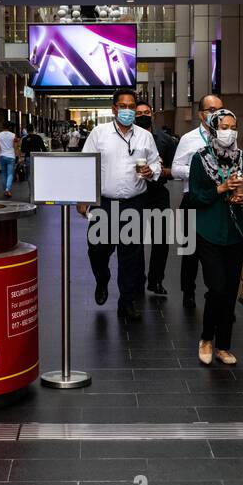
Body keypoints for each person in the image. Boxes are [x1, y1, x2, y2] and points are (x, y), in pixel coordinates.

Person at [79, 90, 162, 322]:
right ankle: (102, 278)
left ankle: (126, 302)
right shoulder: (99, 133)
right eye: (122, 106)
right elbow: (86, 165)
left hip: (134, 202)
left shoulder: (145, 136)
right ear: (114, 108)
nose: (127, 110)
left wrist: (151, 171)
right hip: (104, 203)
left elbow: (155, 163)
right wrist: (83, 198)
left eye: (131, 106)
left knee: (130, 255)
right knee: (98, 249)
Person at [188, 109, 243, 364]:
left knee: (230, 290)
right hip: (209, 230)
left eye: (233, 126)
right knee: (216, 287)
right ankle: (206, 338)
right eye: (224, 126)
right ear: (213, 128)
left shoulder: (241, 158)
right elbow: (195, 197)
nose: (229, 131)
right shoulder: (200, 158)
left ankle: (224, 345)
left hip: (235, 232)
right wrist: (221, 188)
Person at [171, 94, 224, 309]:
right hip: (193, 201)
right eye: (211, 110)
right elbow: (175, 168)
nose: (216, 114)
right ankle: (188, 292)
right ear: (201, 114)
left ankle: (217, 293)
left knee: (218, 251)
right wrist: (200, 172)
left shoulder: (228, 136)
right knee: (190, 251)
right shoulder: (189, 139)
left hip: (220, 202)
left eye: (220, 110)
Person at [135, 103, 176, 296]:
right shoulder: (127, 139)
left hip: (158, 194)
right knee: (134, 240)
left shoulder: (166, 140)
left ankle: (156, 280)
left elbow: (175, 170)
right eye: (138, 113)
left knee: (161, 241)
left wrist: (158, 170)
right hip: (135, 194)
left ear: (152, 115)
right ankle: (137, 279)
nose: (143, 116)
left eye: (146, 113)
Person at [0, 121, 17, 197]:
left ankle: (5, 190)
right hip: (11, 156)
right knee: (10, 174)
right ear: (9, 127)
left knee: (3, 174)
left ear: (2, 126)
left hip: (2, 156)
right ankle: (7, 189)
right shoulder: (13, 135)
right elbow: (15, 147)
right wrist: (19, 156)